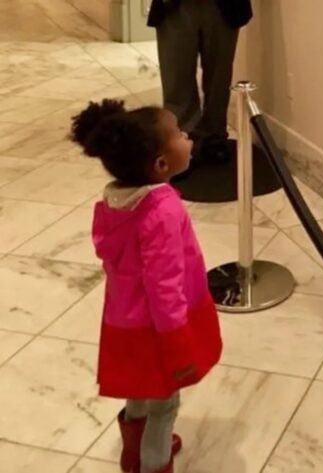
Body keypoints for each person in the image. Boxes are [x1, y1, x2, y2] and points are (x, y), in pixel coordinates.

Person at [70, 99, 223, 473]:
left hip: (124, 319)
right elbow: (164, 283)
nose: (188, 138)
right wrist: (178, 341)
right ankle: (155, 463)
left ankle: (132, 451)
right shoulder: (162, 210)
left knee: (138, 389)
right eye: (180, 134)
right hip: (158, 327)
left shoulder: (112, 204)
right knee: (165, 404)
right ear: (160, 164)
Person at [147, 0, 253, 162]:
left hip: (223, 6)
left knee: (219, 77)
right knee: (176, 78)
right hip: (176, 6)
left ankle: (215, 136)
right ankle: (181, 143)